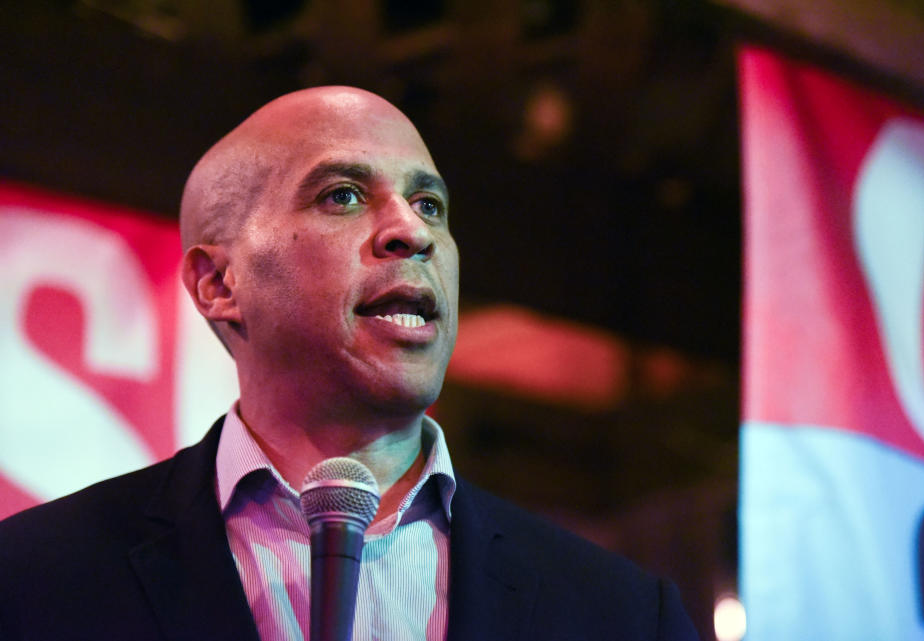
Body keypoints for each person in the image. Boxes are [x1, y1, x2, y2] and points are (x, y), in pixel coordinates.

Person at [0, 87, 699, 641]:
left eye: (430, 204)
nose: (412, 230)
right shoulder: (33, 579)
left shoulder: (626, 615)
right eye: (343, 194)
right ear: (218, 284)